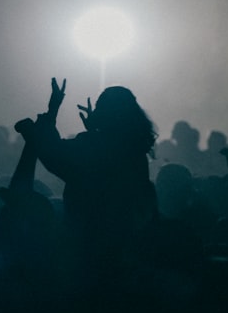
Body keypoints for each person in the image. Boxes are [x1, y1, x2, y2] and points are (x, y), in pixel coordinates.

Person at [17, 78, 157, 237]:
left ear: (106, 113)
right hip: (124, 239)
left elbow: (54, 155)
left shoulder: (93, 145)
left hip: (87, 240)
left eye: (99, 106)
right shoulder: (135, 151)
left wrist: (52, 110)